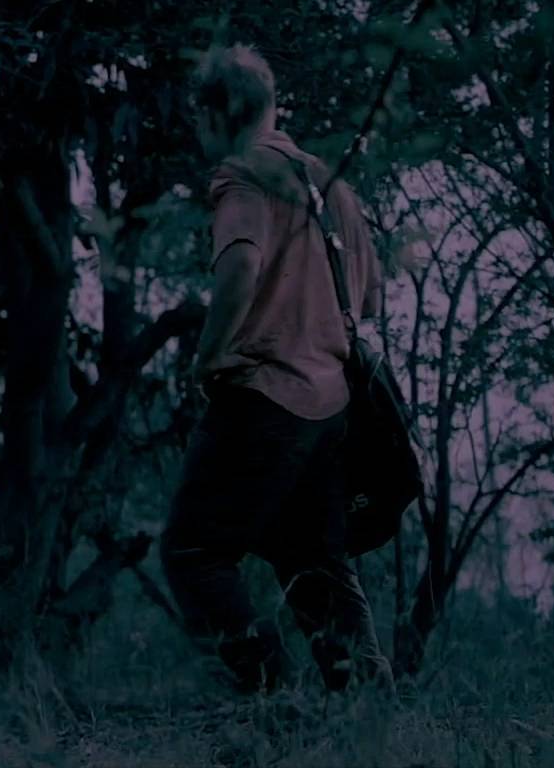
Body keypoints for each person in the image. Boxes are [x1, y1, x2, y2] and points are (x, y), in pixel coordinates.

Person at [161, 45, 394, 694]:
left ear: (216, 114)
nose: (197, 131)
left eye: (198, 117)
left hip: (264, 397)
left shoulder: (243, 175)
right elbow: (372, 299)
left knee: (194, 554)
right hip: (331, 407)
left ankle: (276, 703)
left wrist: (210, 357)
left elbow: (240, 264)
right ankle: (371, 715)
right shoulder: (331, 185)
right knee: (314, 563)